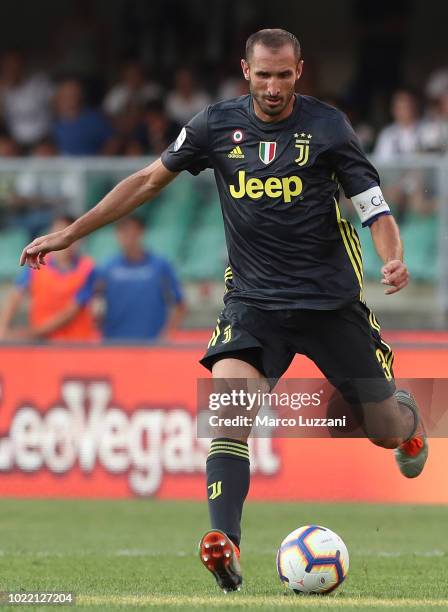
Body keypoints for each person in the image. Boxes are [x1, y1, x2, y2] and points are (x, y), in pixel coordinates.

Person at [20, 29, 428, 594]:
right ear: (246, 70)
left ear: (299, 72)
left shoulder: (329, 126)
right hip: (252, 304)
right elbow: (144, 182)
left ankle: (408, 421)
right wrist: (69, 235)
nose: (273, 86)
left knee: (383, 429)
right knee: (230, 416)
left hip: (330, 305)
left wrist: (394, 259)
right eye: (263, 74)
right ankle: (225, 544)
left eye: (283, 75)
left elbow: (374, 209)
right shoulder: (215, 125)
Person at [2, 215, 98, 342]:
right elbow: (16, 294)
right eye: (57, 232)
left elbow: (69, 313)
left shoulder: (87, 269)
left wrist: (30, 334)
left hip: (77, 345)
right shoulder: (36, 266)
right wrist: (3, 328)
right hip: (43, 345)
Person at [96, 215, 185, 341]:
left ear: (141, 233)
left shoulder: (160, 265)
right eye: (121, 232)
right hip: (114, 345)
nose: (126, 237)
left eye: (130, 231)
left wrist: (166, 335)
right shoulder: (107, 268)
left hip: (150, 346)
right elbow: (95, 302)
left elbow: (180, 304)